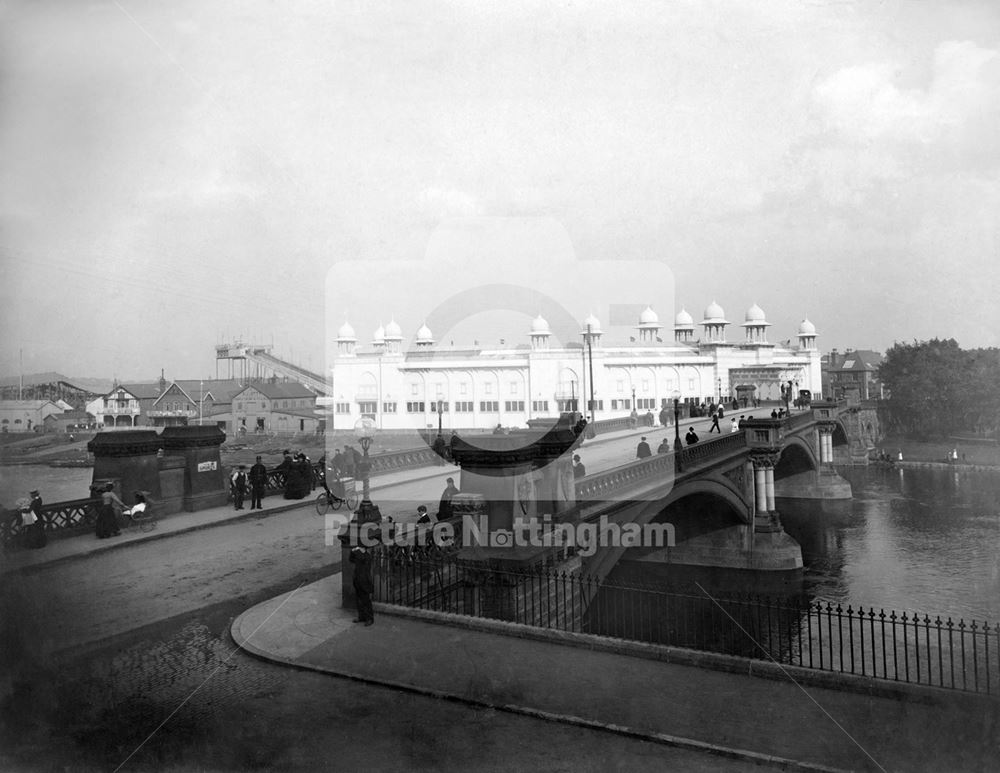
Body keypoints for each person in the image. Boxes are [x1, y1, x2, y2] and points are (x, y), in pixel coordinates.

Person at [349, 545, 375, 626]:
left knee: (366, 600)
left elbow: (362, 559)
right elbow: (351, 559)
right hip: (357, 580)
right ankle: (362, 617)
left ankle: (369, 618)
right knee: (359, 599)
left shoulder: (367, 556)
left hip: (364, 581)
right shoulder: (358, 555)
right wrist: (352, 551)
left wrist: (356, 551)